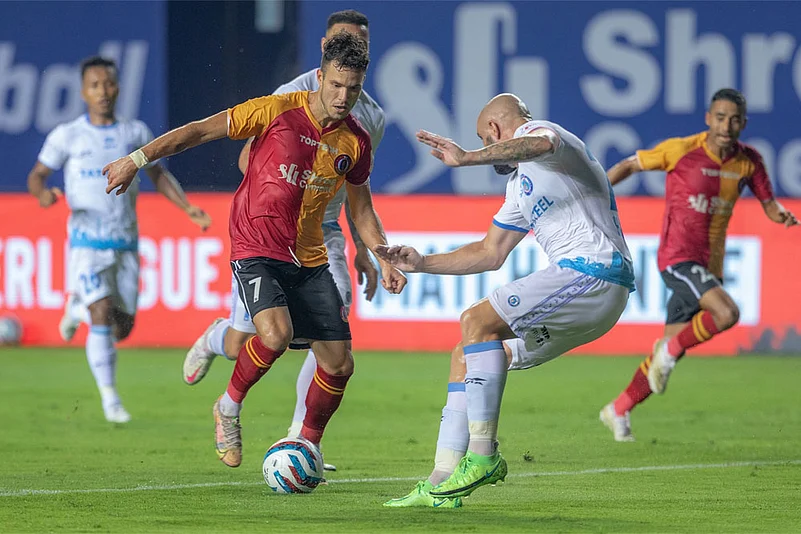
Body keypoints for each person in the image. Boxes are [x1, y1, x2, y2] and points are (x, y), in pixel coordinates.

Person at [103, 32, 407, 468]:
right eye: (337, 85)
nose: (343, 97)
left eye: (353, 89)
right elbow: (198, 131)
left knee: (339, 364)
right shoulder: (277, 109)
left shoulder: (355, 141)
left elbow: (362, 209)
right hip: (256, 244)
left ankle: (306, 445)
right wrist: (135, 160)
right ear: (320, 77)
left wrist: (382, 254)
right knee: (275, 335)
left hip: (309, 254)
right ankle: (227, 407)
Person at [378, 93, 634, 507]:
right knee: (466, 354)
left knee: (476, 320)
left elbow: (540, 143)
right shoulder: (519, 187)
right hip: (592, 294)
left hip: (592, 272)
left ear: (495, 130)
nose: (485, 147)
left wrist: (468, 158)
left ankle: (484, 456)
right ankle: (441, 482)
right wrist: (422, 263)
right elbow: (489, 252)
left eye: (484, 138)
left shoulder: (545, 138)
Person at [181, 10, 384, 470]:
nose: (344, 92)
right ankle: (216, 339)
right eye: (343, 41)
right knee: (247, 342)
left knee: (335, 347)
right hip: (267, 233)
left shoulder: (371, 118)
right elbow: (247, 159)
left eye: (360, 45)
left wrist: (367, 252)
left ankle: (301, 439)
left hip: (324, 235)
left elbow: (357, 191)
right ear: (325, 49)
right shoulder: (289, 95)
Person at [599, 88, 798, 442]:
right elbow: (630, 164)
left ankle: (618, 408)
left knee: (665, 358)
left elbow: (768, 203)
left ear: (743, 123)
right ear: (708, 118)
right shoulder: (681, 150)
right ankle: (668, 352)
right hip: (677, 258)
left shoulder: (749, 161)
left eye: (734, 119)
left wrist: (780, 214)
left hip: (710, 265)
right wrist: (596, 195)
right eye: (720, 118)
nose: (726, 126)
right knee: (726, 314)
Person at [27, 56, 211, 423]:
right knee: (101, 309)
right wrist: (42, 194)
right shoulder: (68, 135)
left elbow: (158, 176)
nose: (103, 92)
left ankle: (75, 309)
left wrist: (187, 207)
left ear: (118, 88)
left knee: (121, 327)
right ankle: (110, 400)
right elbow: (37, 175)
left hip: (125, 242)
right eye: (94, 85)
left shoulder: (135, 133)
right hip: (86, 244)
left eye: (108, 84)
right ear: (83, 92)